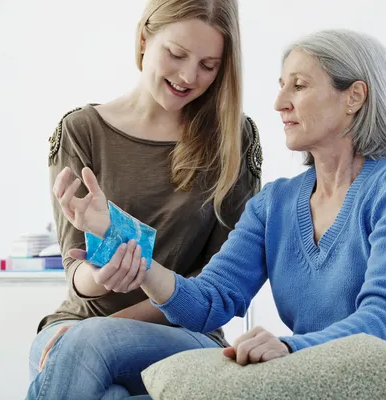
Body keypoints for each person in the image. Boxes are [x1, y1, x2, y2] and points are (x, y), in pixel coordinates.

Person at [35, 28, 386, 399]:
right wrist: (119, 240)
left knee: (92, 342)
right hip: (305, 374)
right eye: (281, 86)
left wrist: (288, 346)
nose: (279, 104)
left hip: (373, 375)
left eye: (299, 85)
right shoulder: (275, 203)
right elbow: (210, 300)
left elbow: (383, 322)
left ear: (354, 97)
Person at [26, 0, 263, 398]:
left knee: (87, 347)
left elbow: (219, 283)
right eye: (176, 54)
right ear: (143, 40)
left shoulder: (233, 141)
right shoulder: (81, 131)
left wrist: (106, 330)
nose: (189, 76)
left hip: (183, 334)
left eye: (209, 65)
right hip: (74, 325)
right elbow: (76, 270)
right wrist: (100, 279)